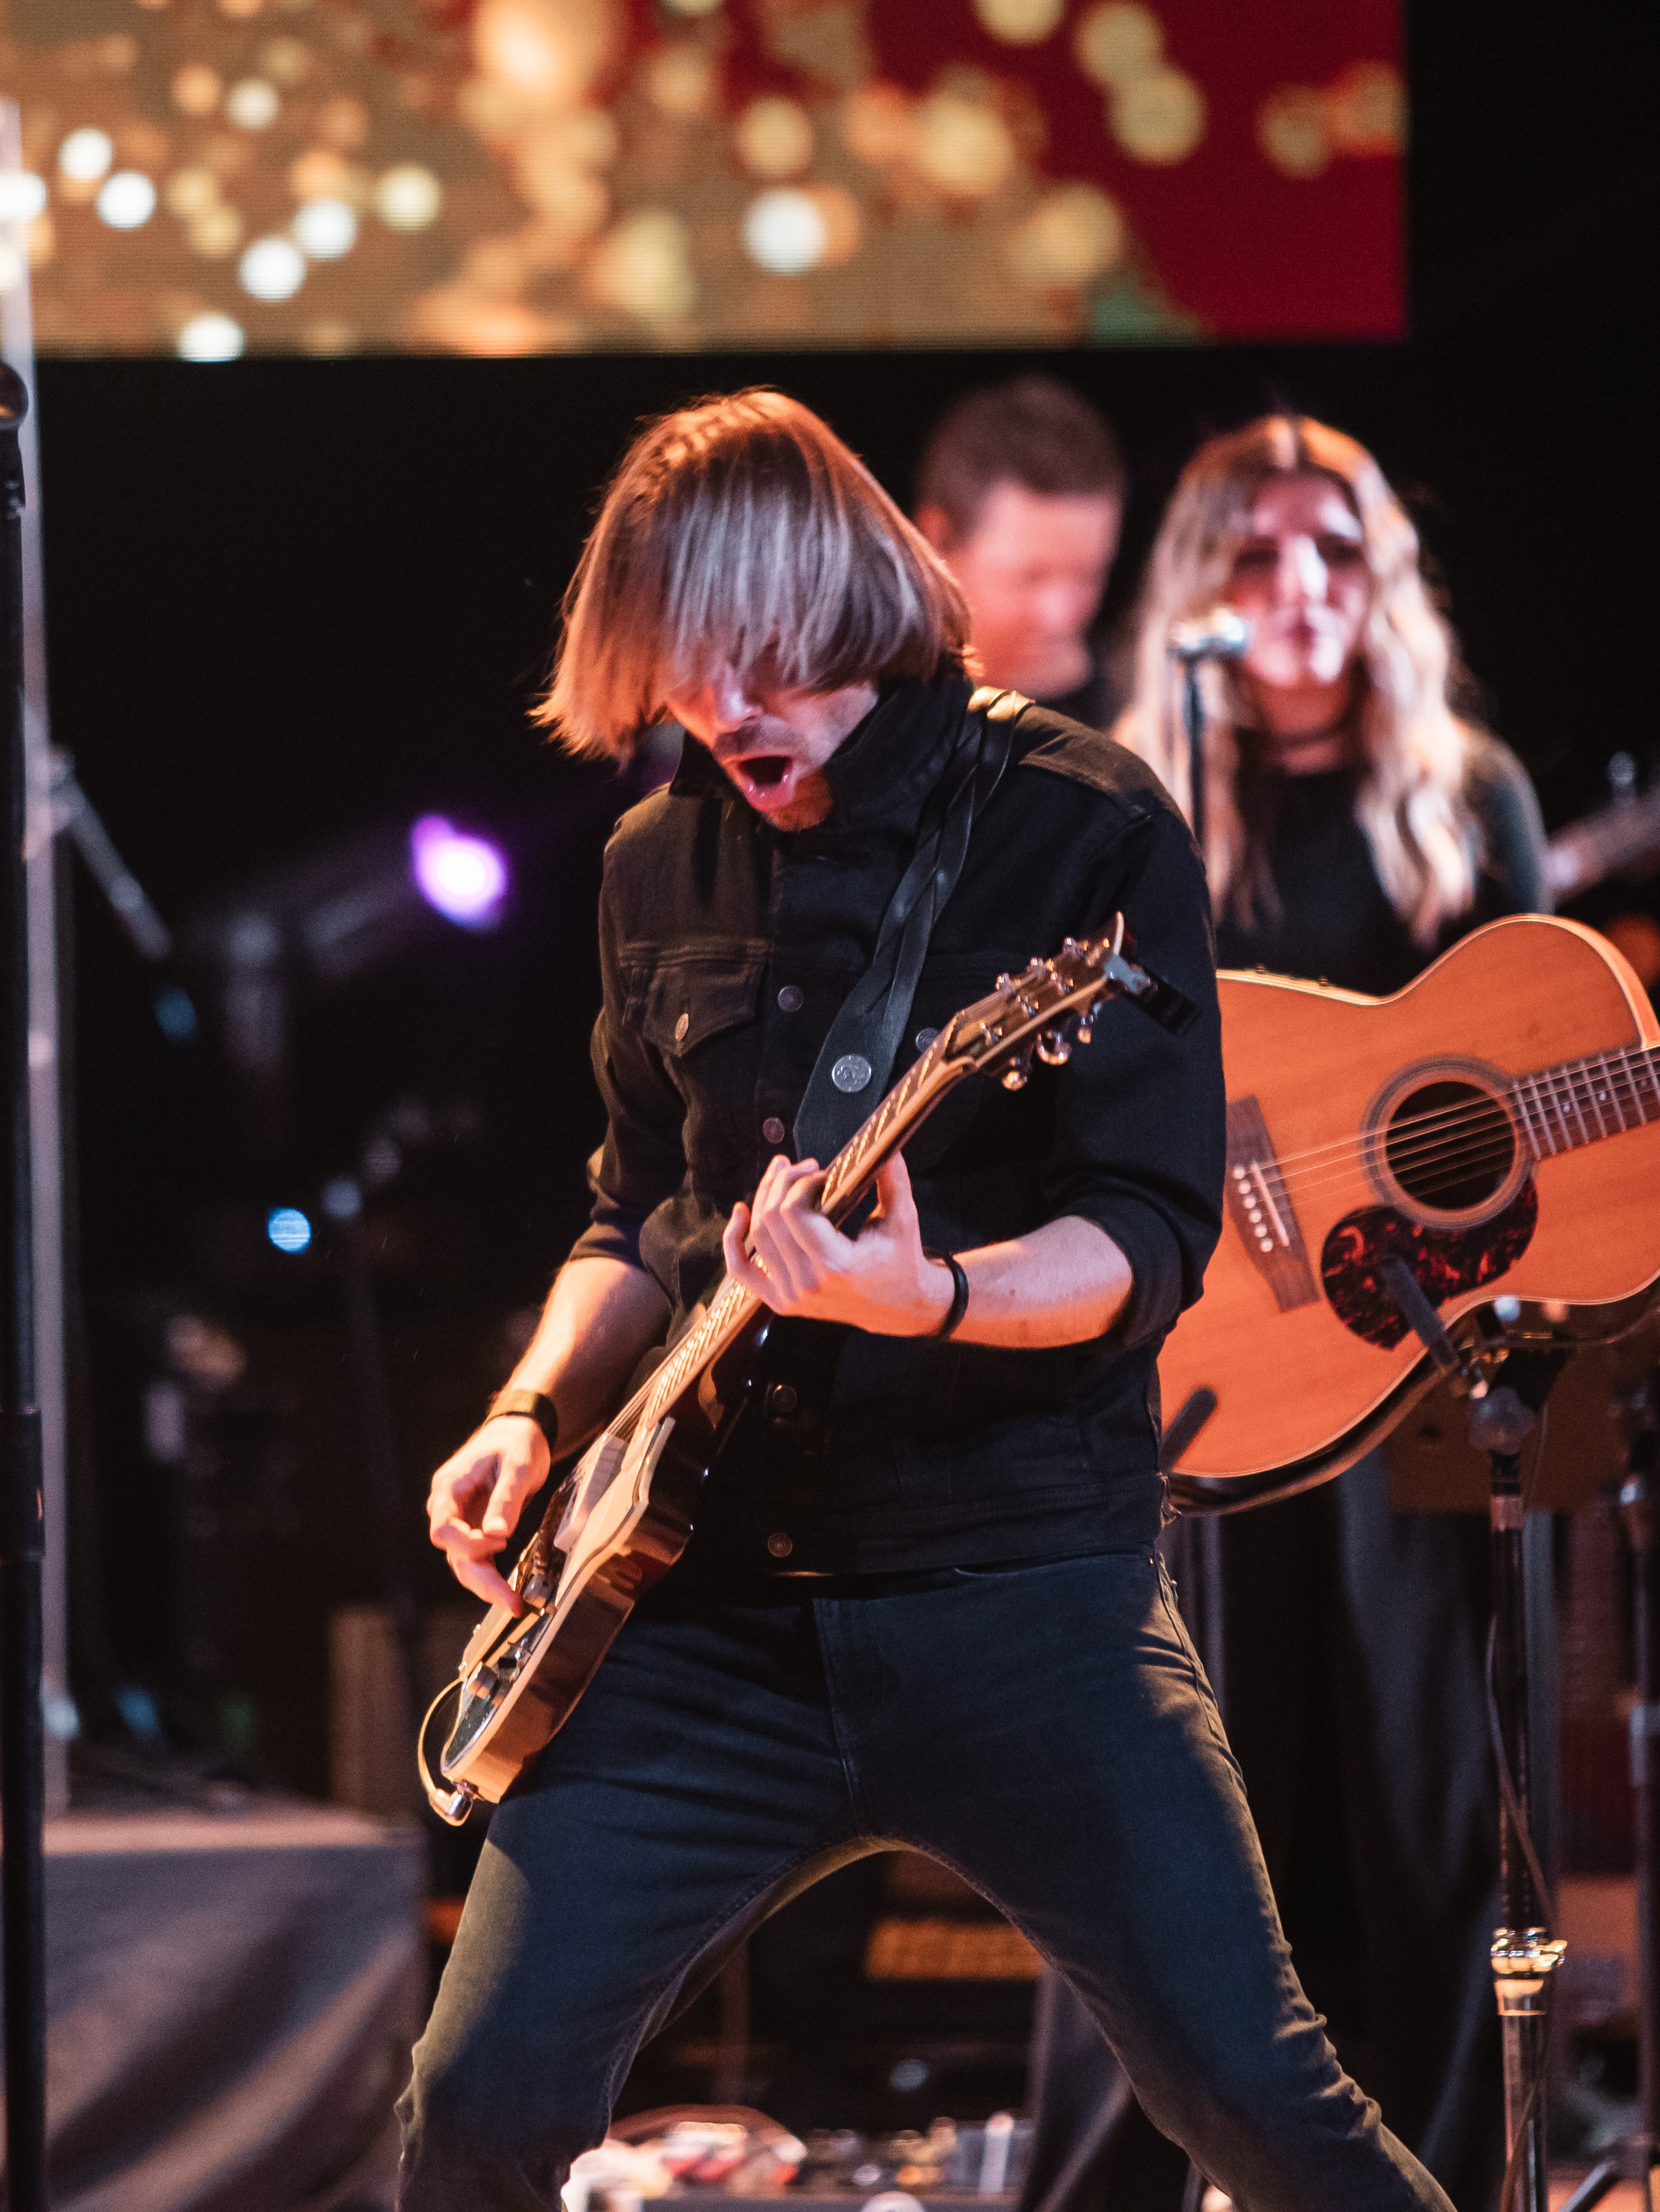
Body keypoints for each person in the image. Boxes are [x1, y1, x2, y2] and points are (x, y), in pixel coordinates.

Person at [397, 388, 1457, 2212]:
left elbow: (1144, 1238)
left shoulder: (1083, 826)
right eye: (681, 673)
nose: (725, 714)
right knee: (480, 2092)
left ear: (857, 612)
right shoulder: (658, 858)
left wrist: (930, 1292)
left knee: (1269, 2113)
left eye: (761, 666)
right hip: (709, 1607)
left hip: (1024, 1596)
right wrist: (529, 1413)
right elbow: (632, 1206)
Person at [1020, 412, 1547, 2212]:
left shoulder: (1467, 800)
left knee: (1430, 1817)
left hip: (1410, 1383)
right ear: (1200, 589)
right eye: (1255, 554)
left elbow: (1532, 1071)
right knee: (1188, 1817)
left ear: (1384, 581)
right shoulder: (1125, 805)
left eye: (1336, 551)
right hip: (1207, 1374)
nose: (1299, 587)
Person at [916, 375, 1126, 729]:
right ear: (935, 540)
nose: (1059, 617)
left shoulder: (1144, 709)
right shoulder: (861, 709)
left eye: (1088, 575)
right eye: (1029, 577)